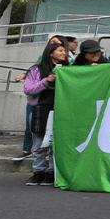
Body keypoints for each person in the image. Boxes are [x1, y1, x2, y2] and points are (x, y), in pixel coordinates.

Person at [23, 42, 68, 186]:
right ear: (50, 53)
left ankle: (51, 172)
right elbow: (28, 89)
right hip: (40, 111)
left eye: (65, 51)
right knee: (39, 143)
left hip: (60, 111)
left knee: (56, 144)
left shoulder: (69, 69)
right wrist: (45, 81)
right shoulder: (36, 69)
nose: (64, 53)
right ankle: (38, 172)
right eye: (60, 51)